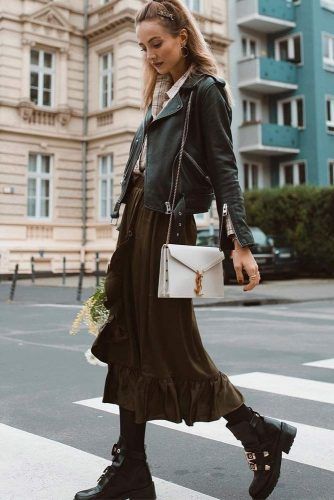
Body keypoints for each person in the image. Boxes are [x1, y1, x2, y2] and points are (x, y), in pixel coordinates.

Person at [74, 1, 297, 499]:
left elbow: (225, 169)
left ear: (182, 37)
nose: (150, 55)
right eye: (143, 47)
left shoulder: (204, 91)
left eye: (157, 43)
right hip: (136, 223)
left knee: (175, 346)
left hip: (168, 228)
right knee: (127, 339)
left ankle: (258, 431)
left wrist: (240, 241)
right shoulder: (160, 94)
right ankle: (131, 466)